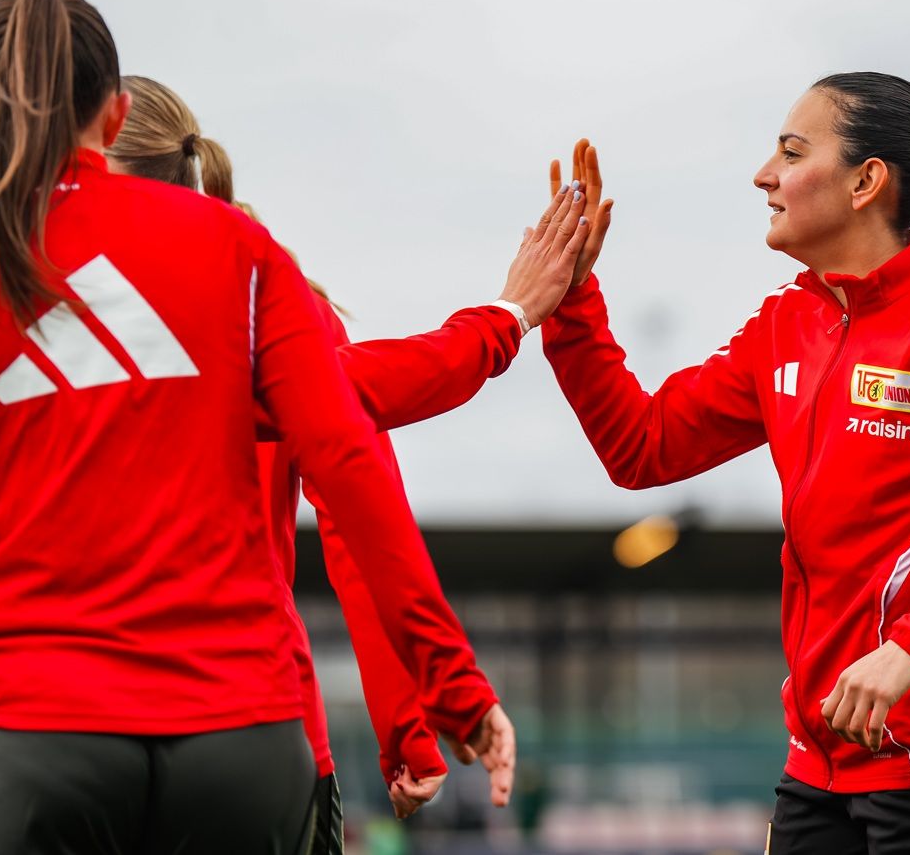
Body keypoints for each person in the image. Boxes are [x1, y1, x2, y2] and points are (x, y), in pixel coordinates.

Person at [0, 0, 588, 855]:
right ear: (114, 112)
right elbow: (350, 466)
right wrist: (453, 688)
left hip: (24, 730)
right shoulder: (240, 254)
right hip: (238, 730)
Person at [542, 73, 910, 854]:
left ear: (866, 182)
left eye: (791, 151)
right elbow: (642, 446)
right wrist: (571, 303)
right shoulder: (785, 323)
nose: (763, 175)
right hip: (818, 770)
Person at [104, 75, 606, 830]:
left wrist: (411, 719)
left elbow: (350, 476)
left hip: (64, 723)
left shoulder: (30, 294)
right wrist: (407, 721)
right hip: (249, 719)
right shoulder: (267, 295)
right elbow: (354, 487)